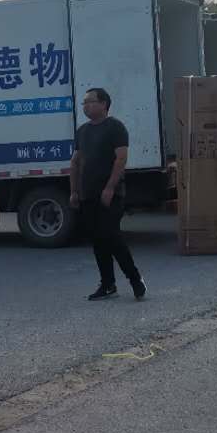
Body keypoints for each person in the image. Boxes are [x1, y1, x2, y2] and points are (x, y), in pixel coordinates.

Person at [70, 87, 145, 301]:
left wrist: (110, 187)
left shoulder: (115, 127)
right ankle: (107, 284)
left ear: (103, 104)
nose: (85, 106)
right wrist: (74, 191)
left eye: (90, 101)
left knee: (111, 235)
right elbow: (76, 162)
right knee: (97, 240)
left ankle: (135, 279)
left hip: (111, 194)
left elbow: (121, 159)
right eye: (84, 103)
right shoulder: (82, 131)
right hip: (88, 194)